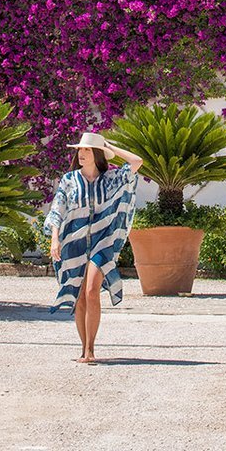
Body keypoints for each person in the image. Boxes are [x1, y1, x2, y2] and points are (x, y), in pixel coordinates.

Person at [43, 131, 144, 364]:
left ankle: (91, 349)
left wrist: (109, 146)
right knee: (79, 297)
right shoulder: (69, 180)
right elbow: (57, 210)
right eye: (80, 149)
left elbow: (136, 162)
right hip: (73, 243)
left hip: (103, 243)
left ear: (97, 153)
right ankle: (83, 348)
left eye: (87, 149)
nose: (81, 153)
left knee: (91, 291)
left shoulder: (110, 179)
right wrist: (55, 239)